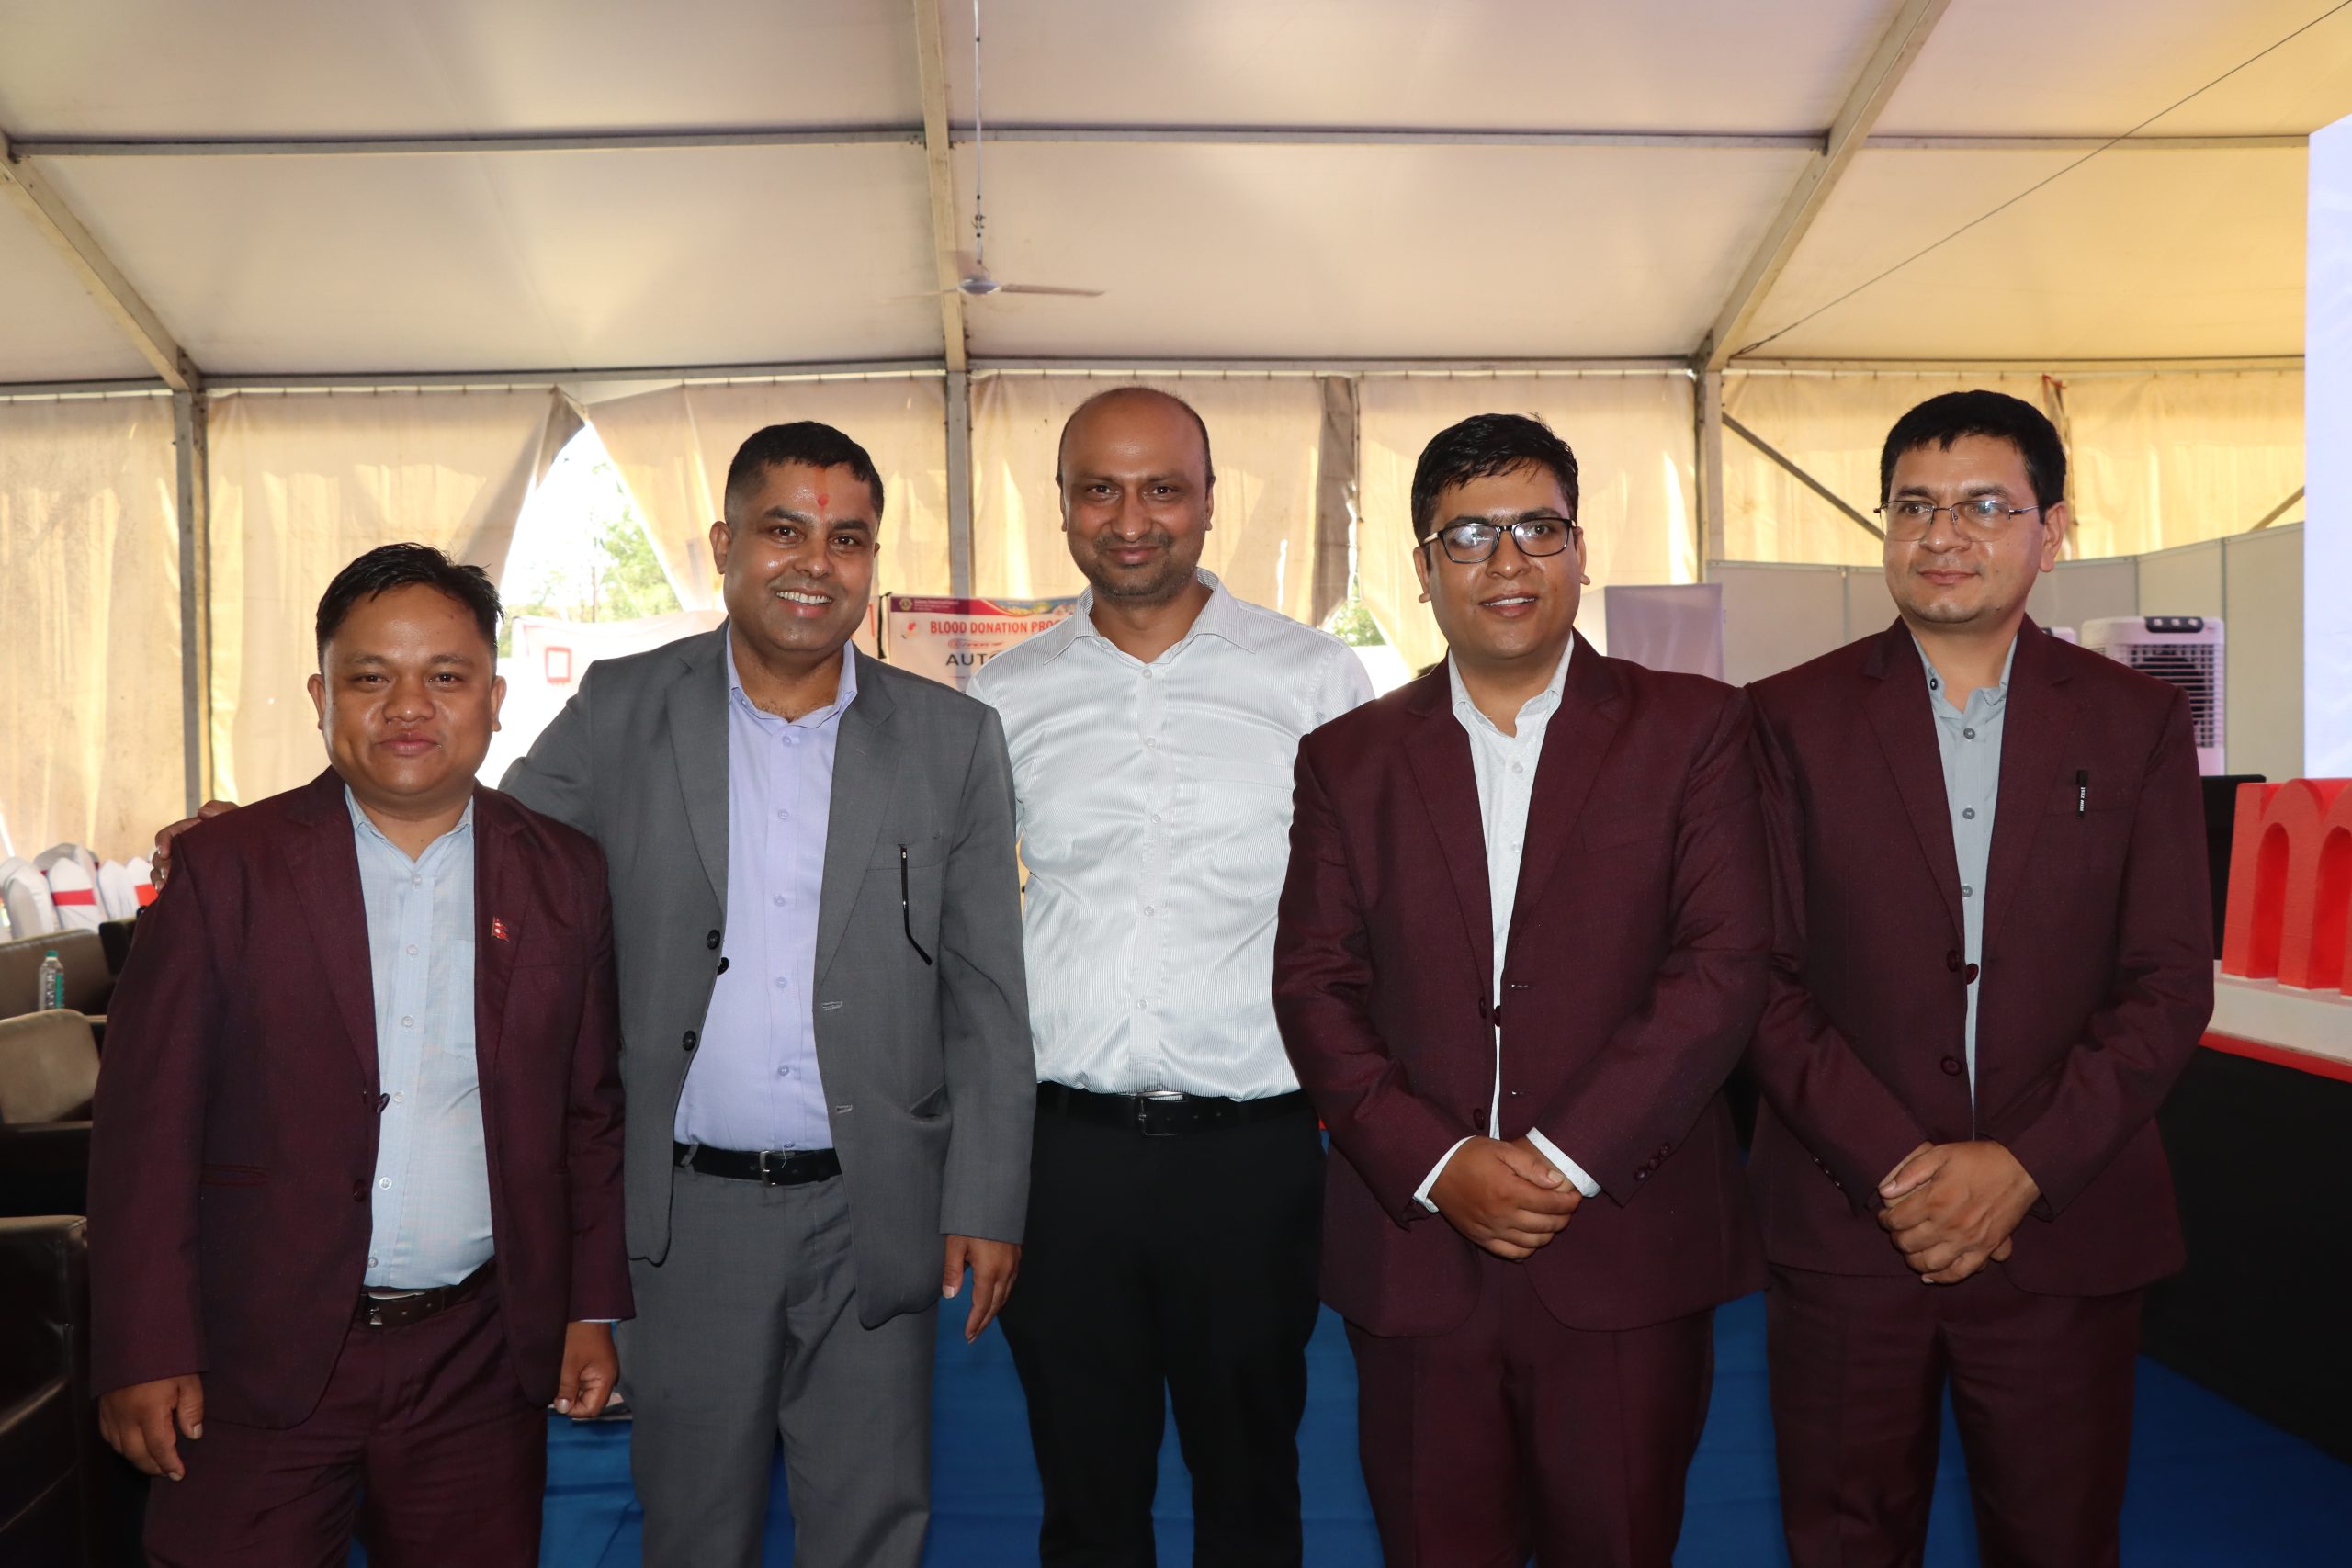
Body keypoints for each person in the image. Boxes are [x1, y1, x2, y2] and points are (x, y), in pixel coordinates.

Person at [155, 423, 1035, 1568]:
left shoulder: (950, 738)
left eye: (848, 539)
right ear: (723, 544)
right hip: (688, 1210)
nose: (814, 564)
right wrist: (271, 833)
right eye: (782, 530)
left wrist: (988, 1197)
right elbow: (470, 829)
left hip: (879, 1199)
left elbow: (985, 988)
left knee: (876, 1517)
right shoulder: (627, 708)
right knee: (694, 1522)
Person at [1273, 412, 1770, 1568]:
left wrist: (1564, 1159)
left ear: (1580, 549)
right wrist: (1441, 1163)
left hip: (1624, 1240)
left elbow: (1721, 964)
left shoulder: (1694, 728)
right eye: (1468, 535)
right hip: (1417, 1250)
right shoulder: (1348, 759)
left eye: (1537, 529)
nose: (1506, 562)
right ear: (1423, 567)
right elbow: (1315, 984)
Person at [1745, 390, 2214, 1568]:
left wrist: (2021, 1165)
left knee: (2056, 1538)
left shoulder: (2138, 722)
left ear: (2051, 532)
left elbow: (2166, 982)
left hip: (2062, 1223)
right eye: (1914, 506)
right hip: (1850, 1227)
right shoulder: (1781, 721)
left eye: (1984, 507)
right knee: (1845, 1539)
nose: (1942, 534)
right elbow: (1757, 975)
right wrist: (1902, 1171)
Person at [91, 544, 629, 1567]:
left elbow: (589, 1112)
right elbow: (142, 1133)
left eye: (446, 675)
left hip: (477, 1360)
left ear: (495, 699)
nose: (408, 706)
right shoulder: (225, 871)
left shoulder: (565, 876)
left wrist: (587, 1308)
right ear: (321, 696)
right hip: (254, 1358)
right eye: (370, 676)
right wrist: (142, 1344)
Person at [968, 386, 1373, 1567]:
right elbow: (970, 933)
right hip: (1064, 1163)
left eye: (1162, 489)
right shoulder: (1003, 697)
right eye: (1100, 488)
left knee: (1251, 1487)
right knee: (1085, 1496)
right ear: (1061, 505)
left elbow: (1362, 920)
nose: (1131, 518)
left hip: (1253, 1161)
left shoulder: (1314, 681)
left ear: (1207, 502)